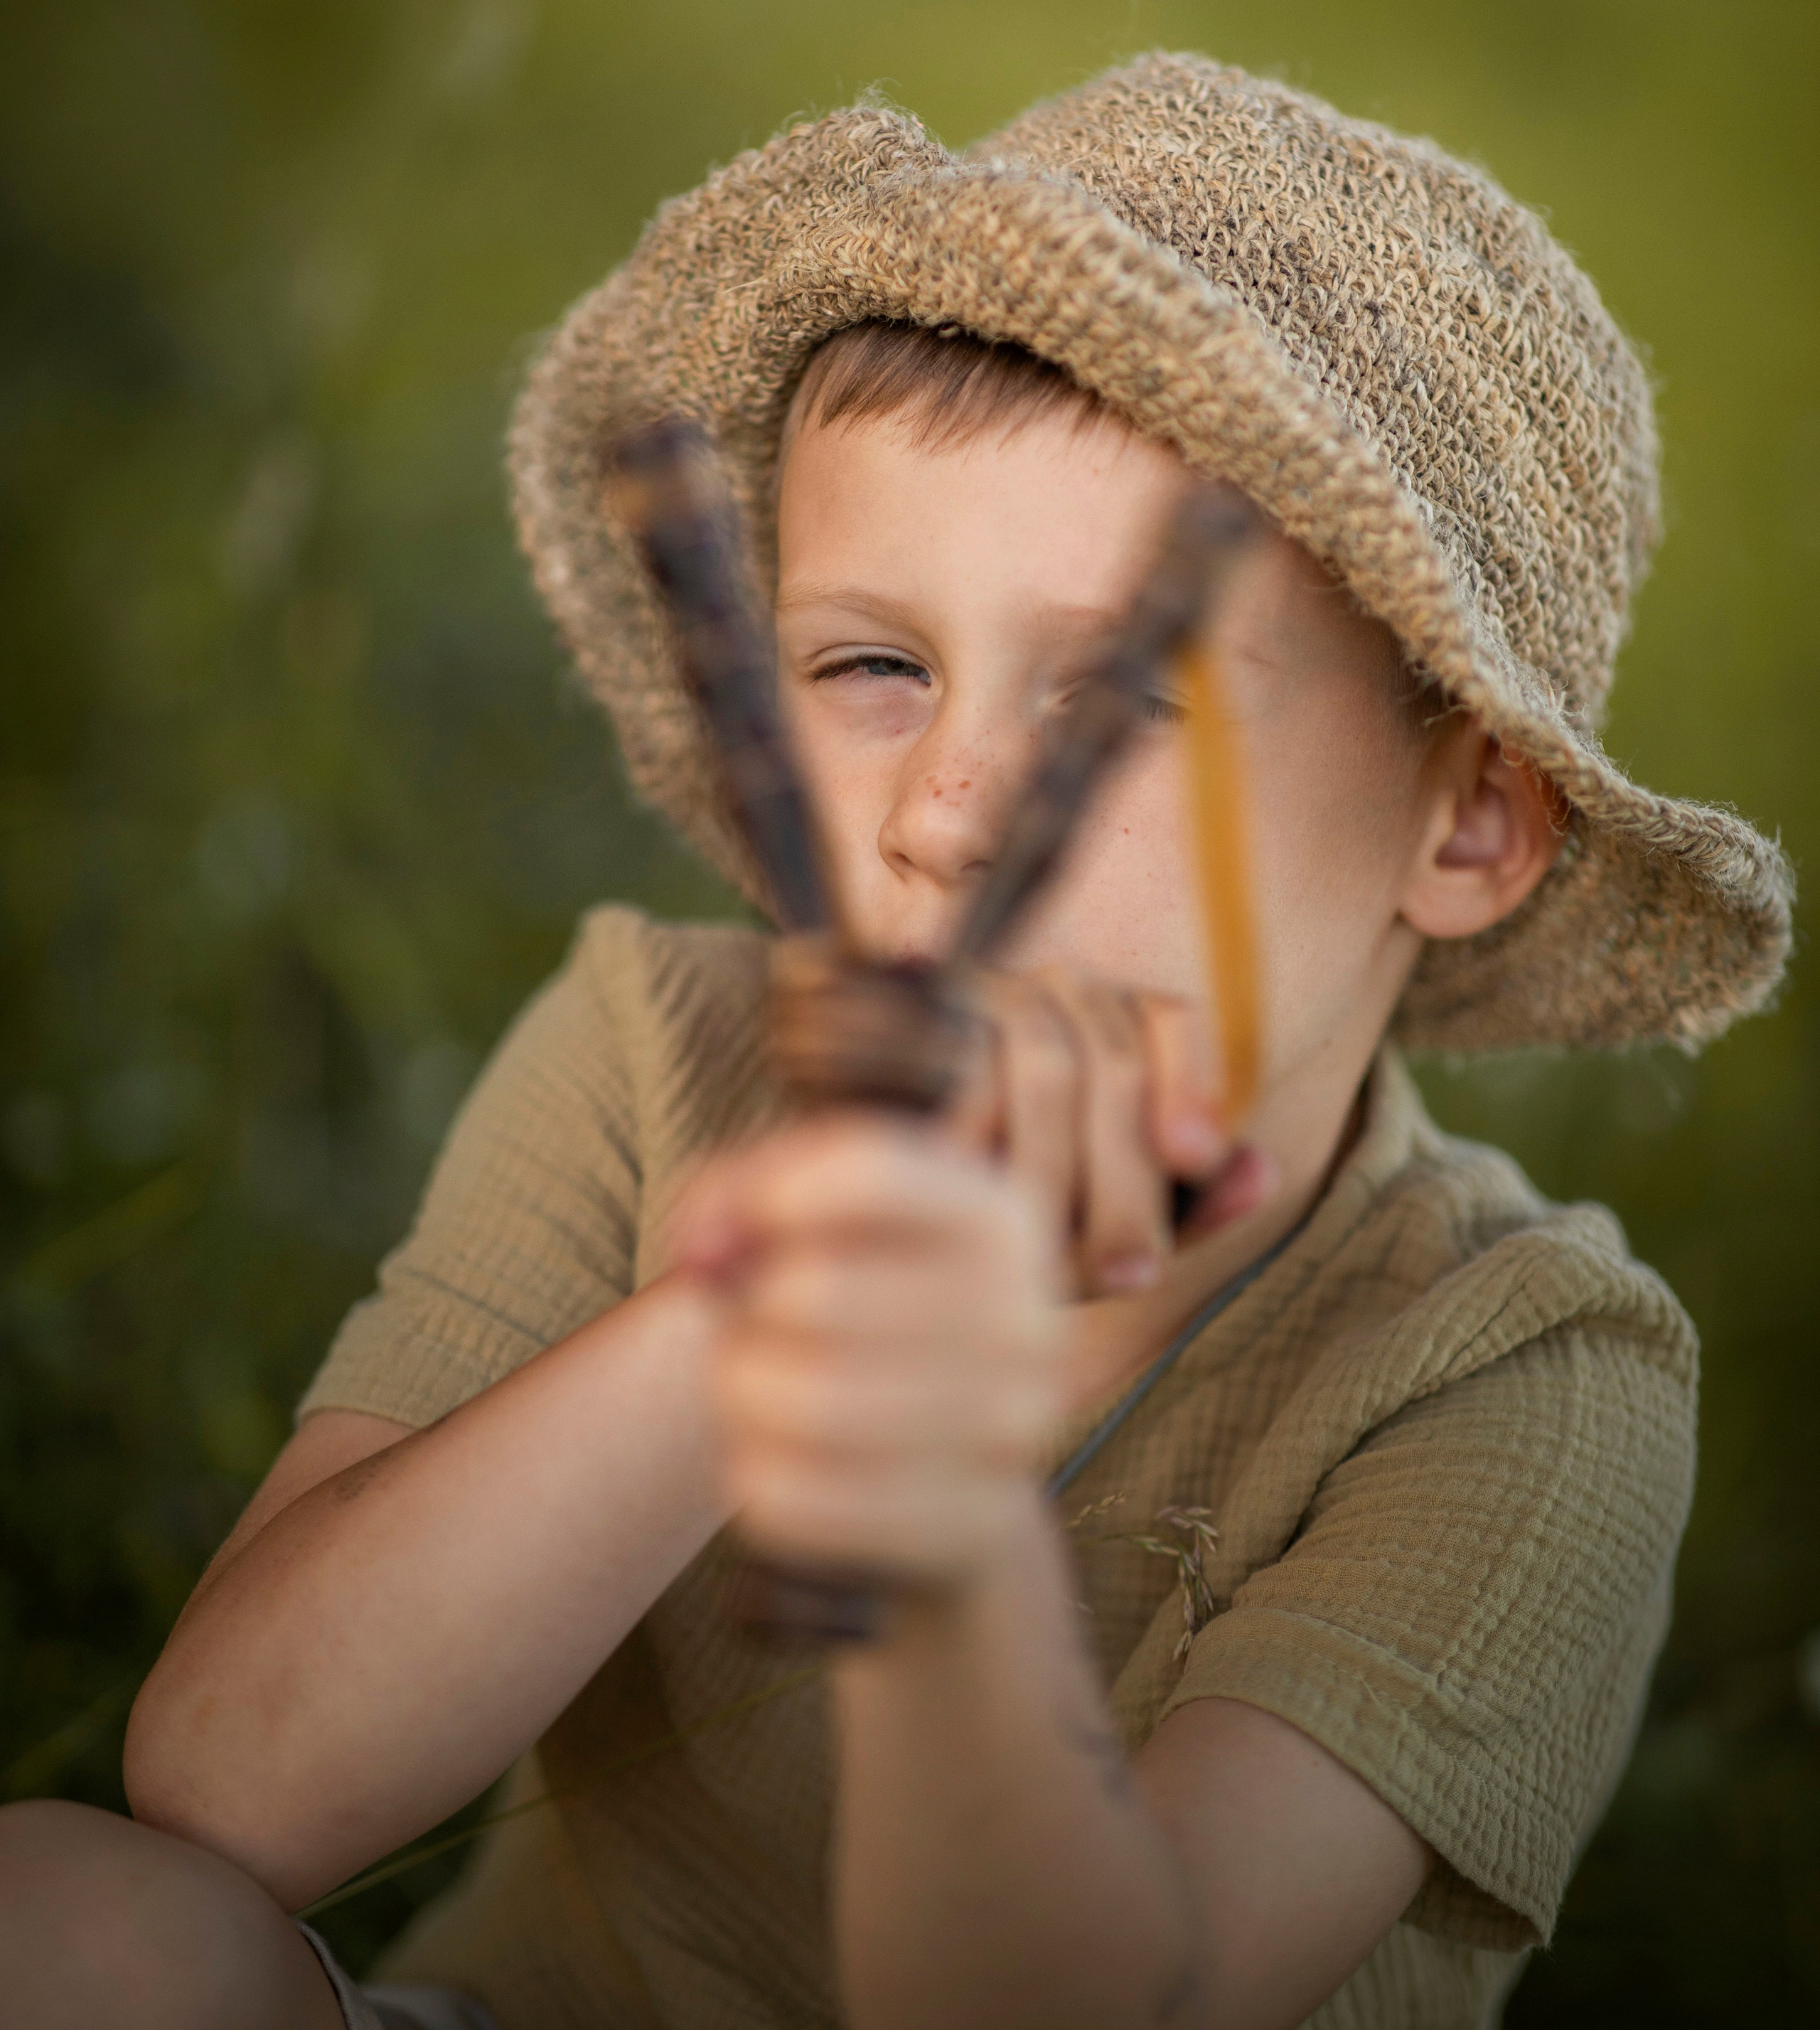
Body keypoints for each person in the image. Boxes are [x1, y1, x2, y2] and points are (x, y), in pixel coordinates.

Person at [0, 51, 1793, 2030]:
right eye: (874, 668)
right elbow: (239, 1787)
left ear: (1464, 820)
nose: (948, 809)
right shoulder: (659, 1046)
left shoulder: (1523, 1374)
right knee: (76, 1920)